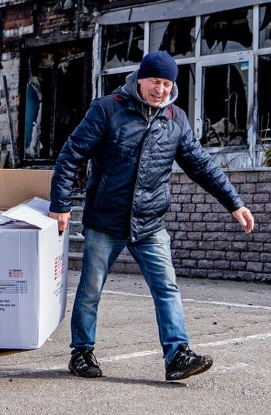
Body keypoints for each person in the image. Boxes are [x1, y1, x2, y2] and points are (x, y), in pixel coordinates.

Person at [48, 50, 255, 382]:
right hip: (106, 220)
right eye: (155, 81)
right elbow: (71, 155)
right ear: (140, 79)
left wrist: (235, 203)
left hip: (150, 223)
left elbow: (201, 165)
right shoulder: (107, 109)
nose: (160, 89)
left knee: (167, 288)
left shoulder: (176, 120)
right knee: (90, 289)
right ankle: (82, 352)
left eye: (167, 83)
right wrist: (60, 204)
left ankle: (177, 355)